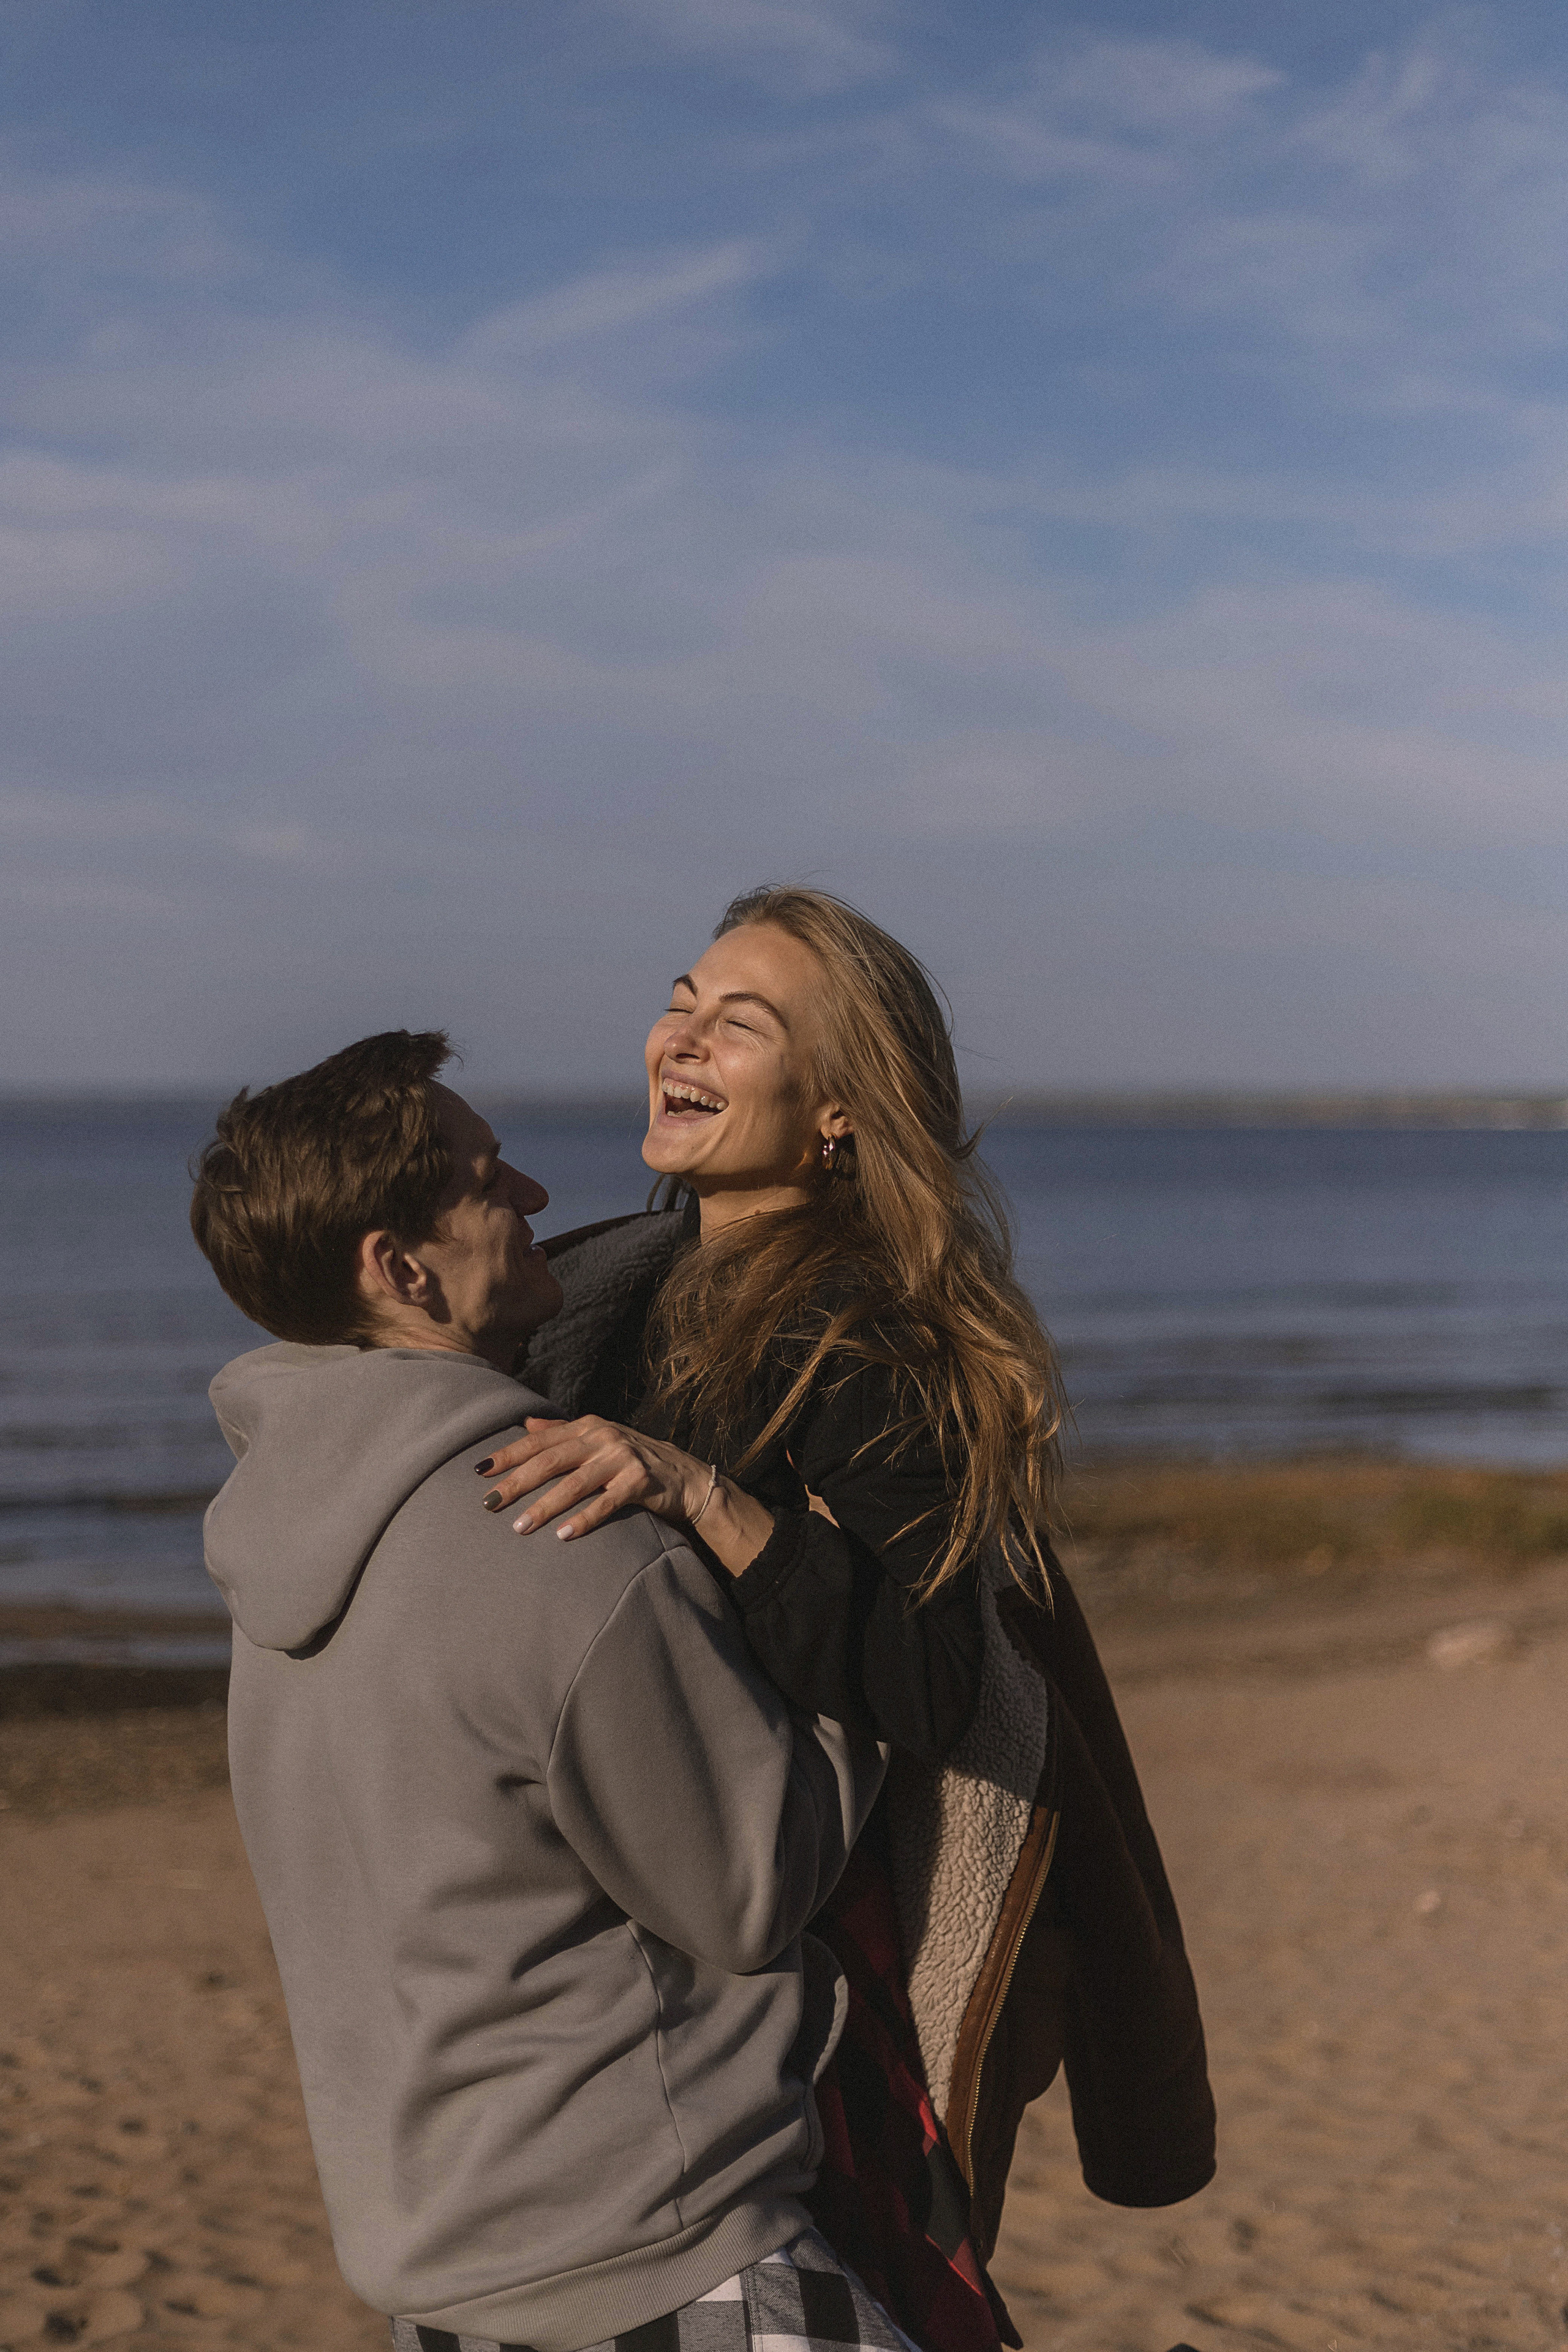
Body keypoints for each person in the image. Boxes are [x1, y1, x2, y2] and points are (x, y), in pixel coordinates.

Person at [478, 888, 1217, 2352]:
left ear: (836, 1112)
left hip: (793, 1957)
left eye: (738, 1025)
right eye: (680, 1003)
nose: (682, 1040)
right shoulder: (621, 1282)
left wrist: (697, 1492)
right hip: (635, 1914)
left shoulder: (864, 1330)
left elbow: (932, 1678)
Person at [187, 1028, 903, 2352]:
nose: (533, 1196)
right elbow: (751, 1890)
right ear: (402, 1269)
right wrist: (840, 1637)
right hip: (653, 2254)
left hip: (437, 2269)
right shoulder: (558, 1530)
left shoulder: (274, 1543)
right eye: (486, 1178)